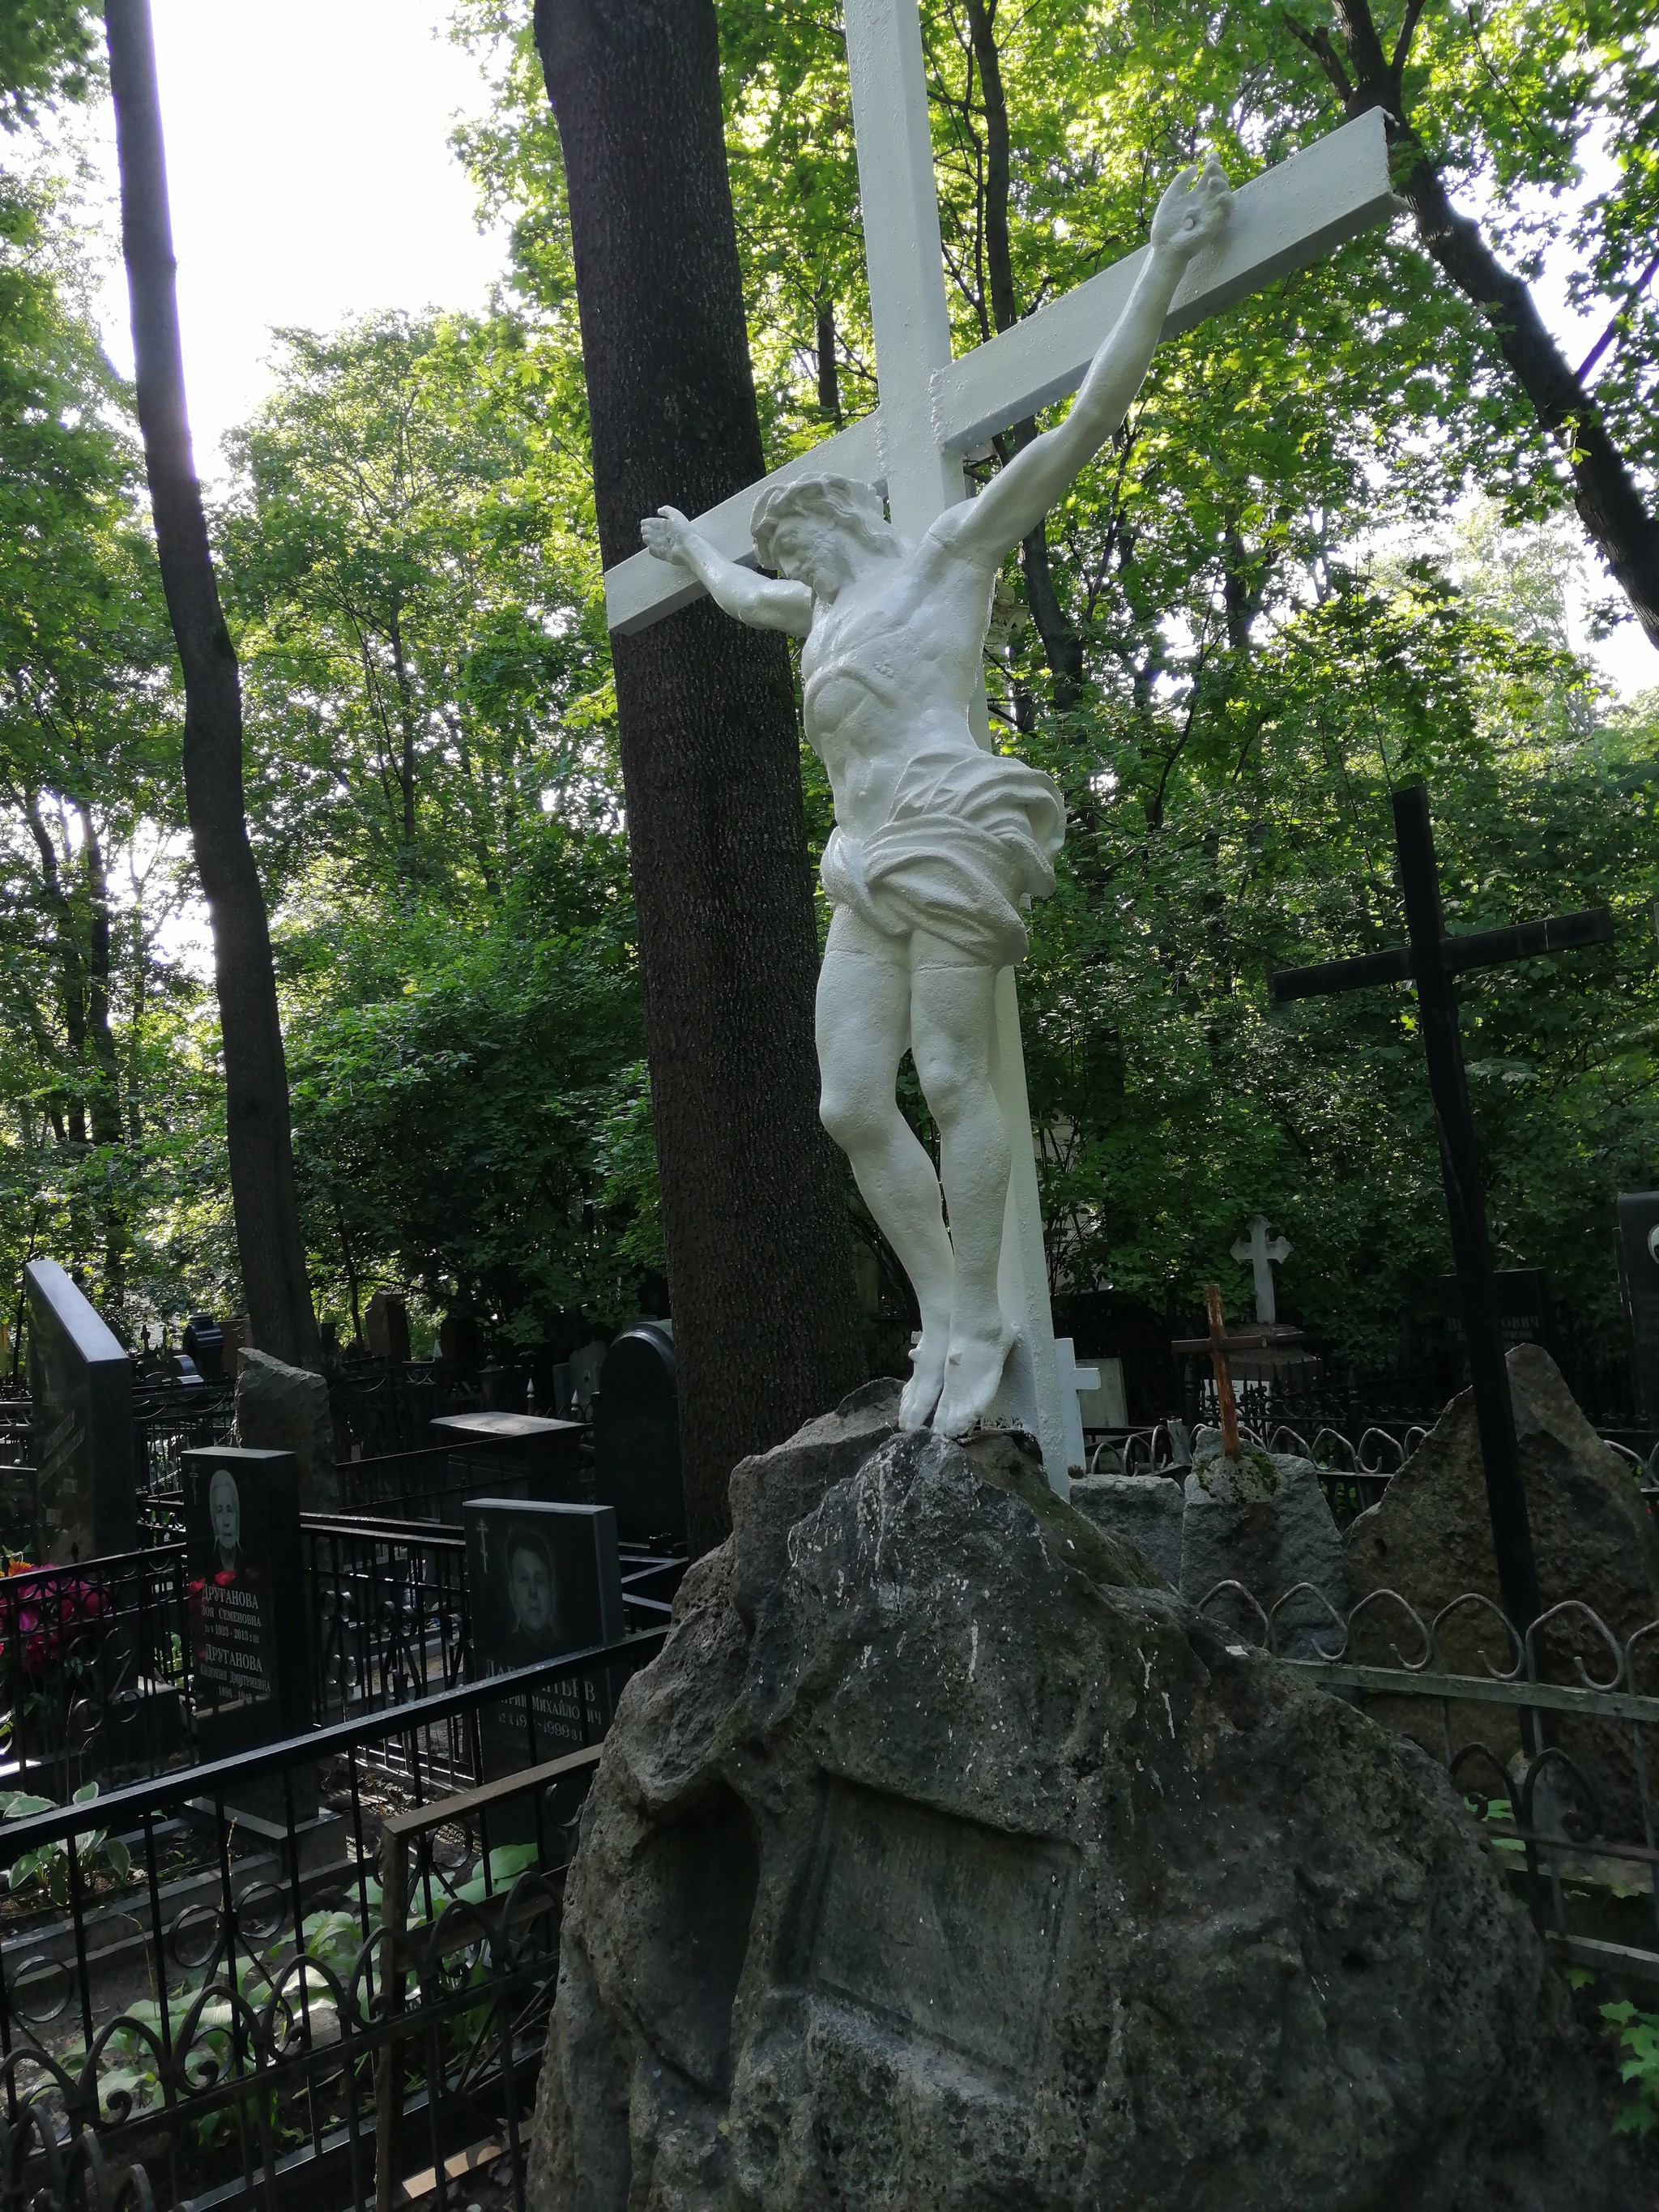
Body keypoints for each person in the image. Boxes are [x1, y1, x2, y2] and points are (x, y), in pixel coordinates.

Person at [642, 155, 1233, 1439]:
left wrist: (1164, 265)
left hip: (953, 833)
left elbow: (1078, 428)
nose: (784, 559)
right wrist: (691, 549)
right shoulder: (813, 611)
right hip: (862, 861)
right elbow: (737, 599)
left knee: (957, 1075)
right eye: (779, 553)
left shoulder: (945, 557)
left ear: (839, 521)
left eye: (791, 539)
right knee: (851, 1101)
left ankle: (982, 1311)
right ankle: (948, 1309)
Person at [505, 1526, 562, 1658]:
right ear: (511, 1591)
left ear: (552, 1594)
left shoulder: (570, 1652)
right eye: (523, 1579)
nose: (533, 1591)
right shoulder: (502, 1651)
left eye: (540, 1580)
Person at [207, 1466, 245, 1574]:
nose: (226, 1522)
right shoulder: (207, 1568)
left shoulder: (251, 1569)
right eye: (219, 1511)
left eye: (230, 1510)